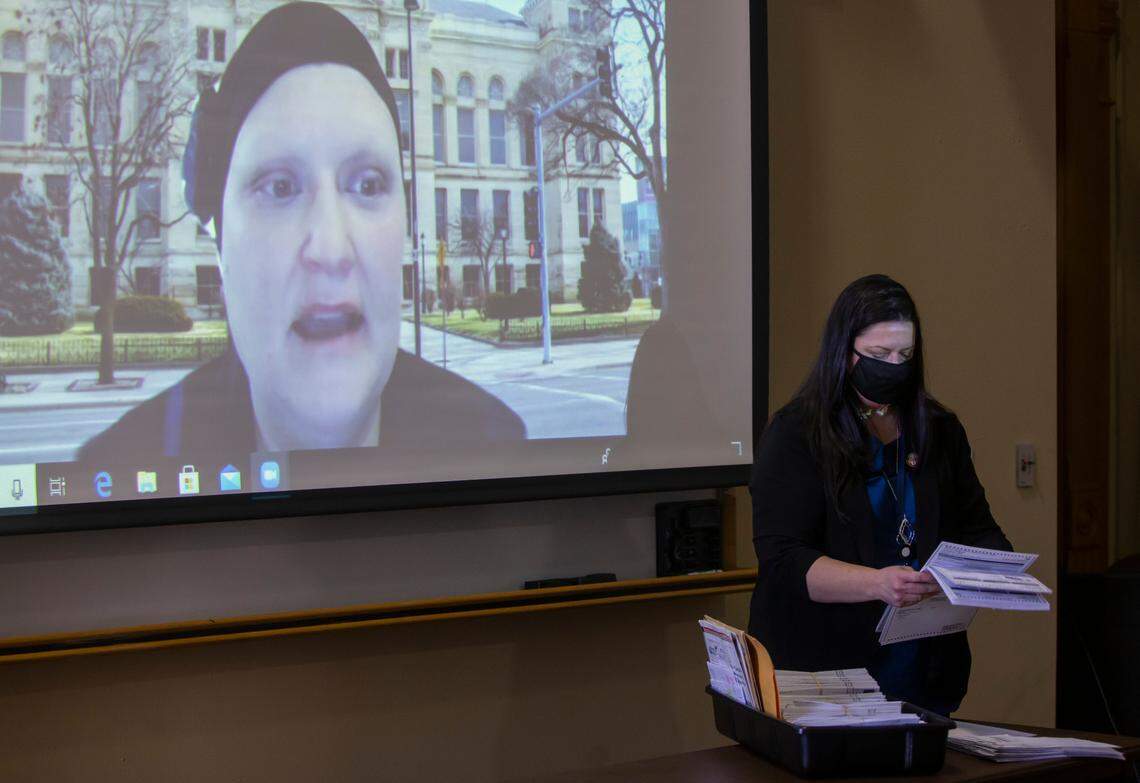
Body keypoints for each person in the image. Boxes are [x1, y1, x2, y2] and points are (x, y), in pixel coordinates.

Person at [79, 2, 524, 464]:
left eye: (368, 185)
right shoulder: (118, 466)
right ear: (221, 242)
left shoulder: (498, 447)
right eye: (280, 187)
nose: (330, 248)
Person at [747, 274, 1011, 715]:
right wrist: (877, 583)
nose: (894, 365)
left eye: (905, 355)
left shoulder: (939, 429)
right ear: (844, 352)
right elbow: (782, 560)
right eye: (878, 354)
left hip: (923, 671)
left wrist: (993, 573)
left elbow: (977, 527)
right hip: (823, 674)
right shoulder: (796, 433)